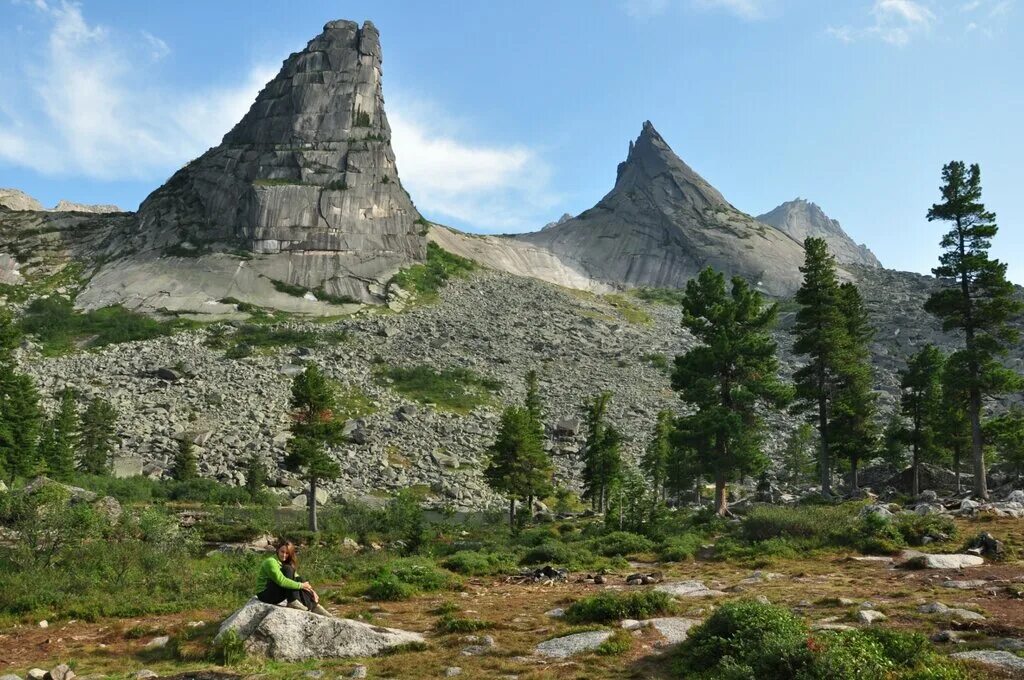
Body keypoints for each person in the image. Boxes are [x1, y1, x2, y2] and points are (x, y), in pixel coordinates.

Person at [257, 540, 331, 616]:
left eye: (287, 553)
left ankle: (314, 606)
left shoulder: (284, 563)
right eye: (282, 552)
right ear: (278, 550)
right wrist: (301, 585)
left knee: (298, 579)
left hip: (275, 592)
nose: (284, 555)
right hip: (265, 594)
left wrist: (311, 591)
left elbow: (298, 578)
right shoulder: (271, 562)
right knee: (289, 571)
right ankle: (292, 601)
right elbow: (282, 581)